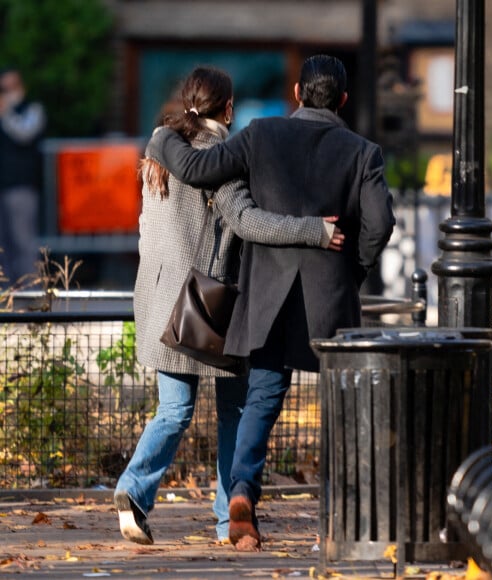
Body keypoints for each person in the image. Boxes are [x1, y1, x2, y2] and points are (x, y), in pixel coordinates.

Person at [146, 54, 396, 551]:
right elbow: (380, 224)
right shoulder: (363, 152)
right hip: (331, 296)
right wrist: (355, 270)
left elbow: (196, 169)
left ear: (298, 93)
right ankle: (344, 516)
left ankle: (242, 498)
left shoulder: (260, 135)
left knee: (262, 398)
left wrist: (161, 137)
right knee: (343, 403)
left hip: (268, 298)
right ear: (343, 100)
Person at [114, 66, 344, 546]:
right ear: (230, 108)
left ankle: (133, 491)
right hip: (212, 305)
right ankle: (226, 522)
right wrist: (315, 230)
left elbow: (144, 226)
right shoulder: (221, 159)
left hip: (159, 298)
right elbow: (249, 221)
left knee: (174, 409)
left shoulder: (159, 150)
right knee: (234, 413)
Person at [0, 67, 46, 287]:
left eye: (12, 87)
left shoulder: (32, 109)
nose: (8, 92)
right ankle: (7, 292)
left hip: (22, 187)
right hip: (3, 186)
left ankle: (30, 290)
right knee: (3, 244)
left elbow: (24, 133)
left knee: (23, 241)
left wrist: (6, 113)